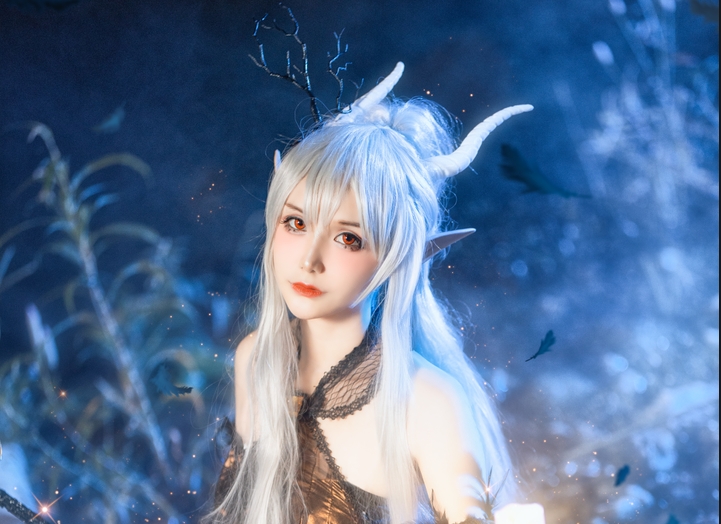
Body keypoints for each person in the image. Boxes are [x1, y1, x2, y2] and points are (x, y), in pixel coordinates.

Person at [207, 62, 533, 524]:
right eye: (296, 222)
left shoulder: (427, 401)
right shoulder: (255, 358)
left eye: (349, 238)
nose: (309, 260)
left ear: (398, 255)